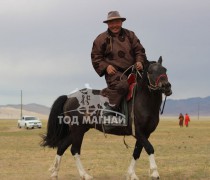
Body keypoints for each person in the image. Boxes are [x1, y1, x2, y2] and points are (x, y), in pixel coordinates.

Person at [91, 11, 147, 115]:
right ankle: (110, 108)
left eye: (117, 22)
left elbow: (139, 51)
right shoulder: (101, 39)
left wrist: (139, 61)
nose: (114, 25)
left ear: (121, 22)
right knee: (123, 85)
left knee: (147, 84)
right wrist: (106, 66)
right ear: (108, 24)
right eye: (111, 23)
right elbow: (96, 57)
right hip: (114, 74)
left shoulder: (130, 35)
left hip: (134, 71)